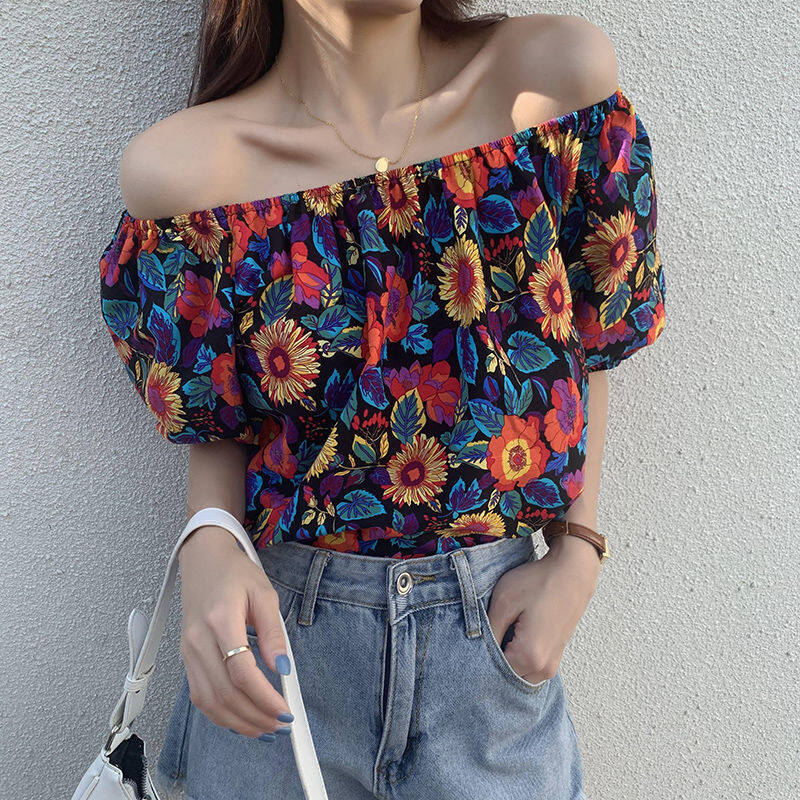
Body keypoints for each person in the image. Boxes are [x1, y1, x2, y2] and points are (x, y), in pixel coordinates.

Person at [97, 1, 666, 797]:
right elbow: (215, 418)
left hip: (489, 654)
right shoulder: (186, 172)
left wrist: (579, 549)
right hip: (277, 659)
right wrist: (208, 549)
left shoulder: (550, 80)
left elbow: (595, 329)